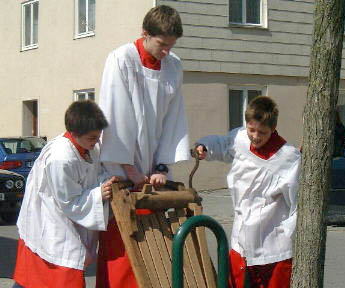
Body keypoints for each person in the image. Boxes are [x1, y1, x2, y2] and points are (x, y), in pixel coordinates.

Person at [96, 5, 190, 288]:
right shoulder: (121, 60)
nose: (166, 51)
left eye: (171, 45)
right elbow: (114, 117)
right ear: (145, 34)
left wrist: (162, 166)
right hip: (124, 175)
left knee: (156, 252)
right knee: (122, 253)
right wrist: (129, 168)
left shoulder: (173, 65)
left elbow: (173, 120)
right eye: (162, 44)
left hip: (152, 176)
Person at [195, 96, 301, 288]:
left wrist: (289, 232)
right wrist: (205, 147)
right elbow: (223, 144)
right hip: (240, 236)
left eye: (262, 132)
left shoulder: (287, 157)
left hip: (273, 243)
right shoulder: (241, 138)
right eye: (252, 129)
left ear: (273, 129)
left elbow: (297, 202)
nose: (255, 136)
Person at [12, 100, 119, 288]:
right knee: (59, 273)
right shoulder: (61, 158)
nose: (96, 142)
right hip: (50, 222)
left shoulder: (88, 146)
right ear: (75, 133)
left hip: (66, 221)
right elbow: (69, 201)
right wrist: (99, 194)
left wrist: (106, 181)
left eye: (98, 136)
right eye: (92, 138)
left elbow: (96, 173)